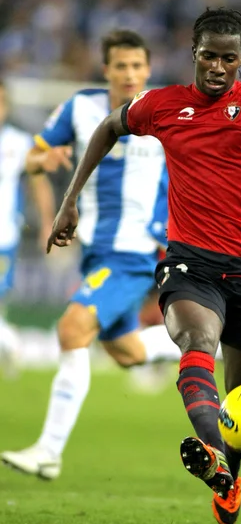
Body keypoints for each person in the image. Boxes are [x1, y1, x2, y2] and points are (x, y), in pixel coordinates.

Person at [42, 8, 241, 524]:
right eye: (208, 55)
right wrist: (69, 200)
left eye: (228, 59)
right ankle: (212, 452)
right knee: (195, 343)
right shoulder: (163, 106)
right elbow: (107, 127)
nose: (217, 67)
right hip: (192, 262)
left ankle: (227, 475)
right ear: (193, 53)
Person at [1, 29, 180, 480]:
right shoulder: (80, 107)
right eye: (121, 66)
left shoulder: (166, 112)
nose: (129, 74)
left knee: (71, 327)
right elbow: (34, 156)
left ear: (148, 69)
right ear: (106, 70)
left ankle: (49, 451)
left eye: (137, 66)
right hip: (95, 252)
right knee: (126, 351)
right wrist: (43, 162)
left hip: (135, 252)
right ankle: (206, 343)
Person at [0, 80, 55, 375]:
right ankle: (9, 343)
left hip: (3, 237)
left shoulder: (17, 142)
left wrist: (48, 221)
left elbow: (37, 181)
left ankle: (10, 344)